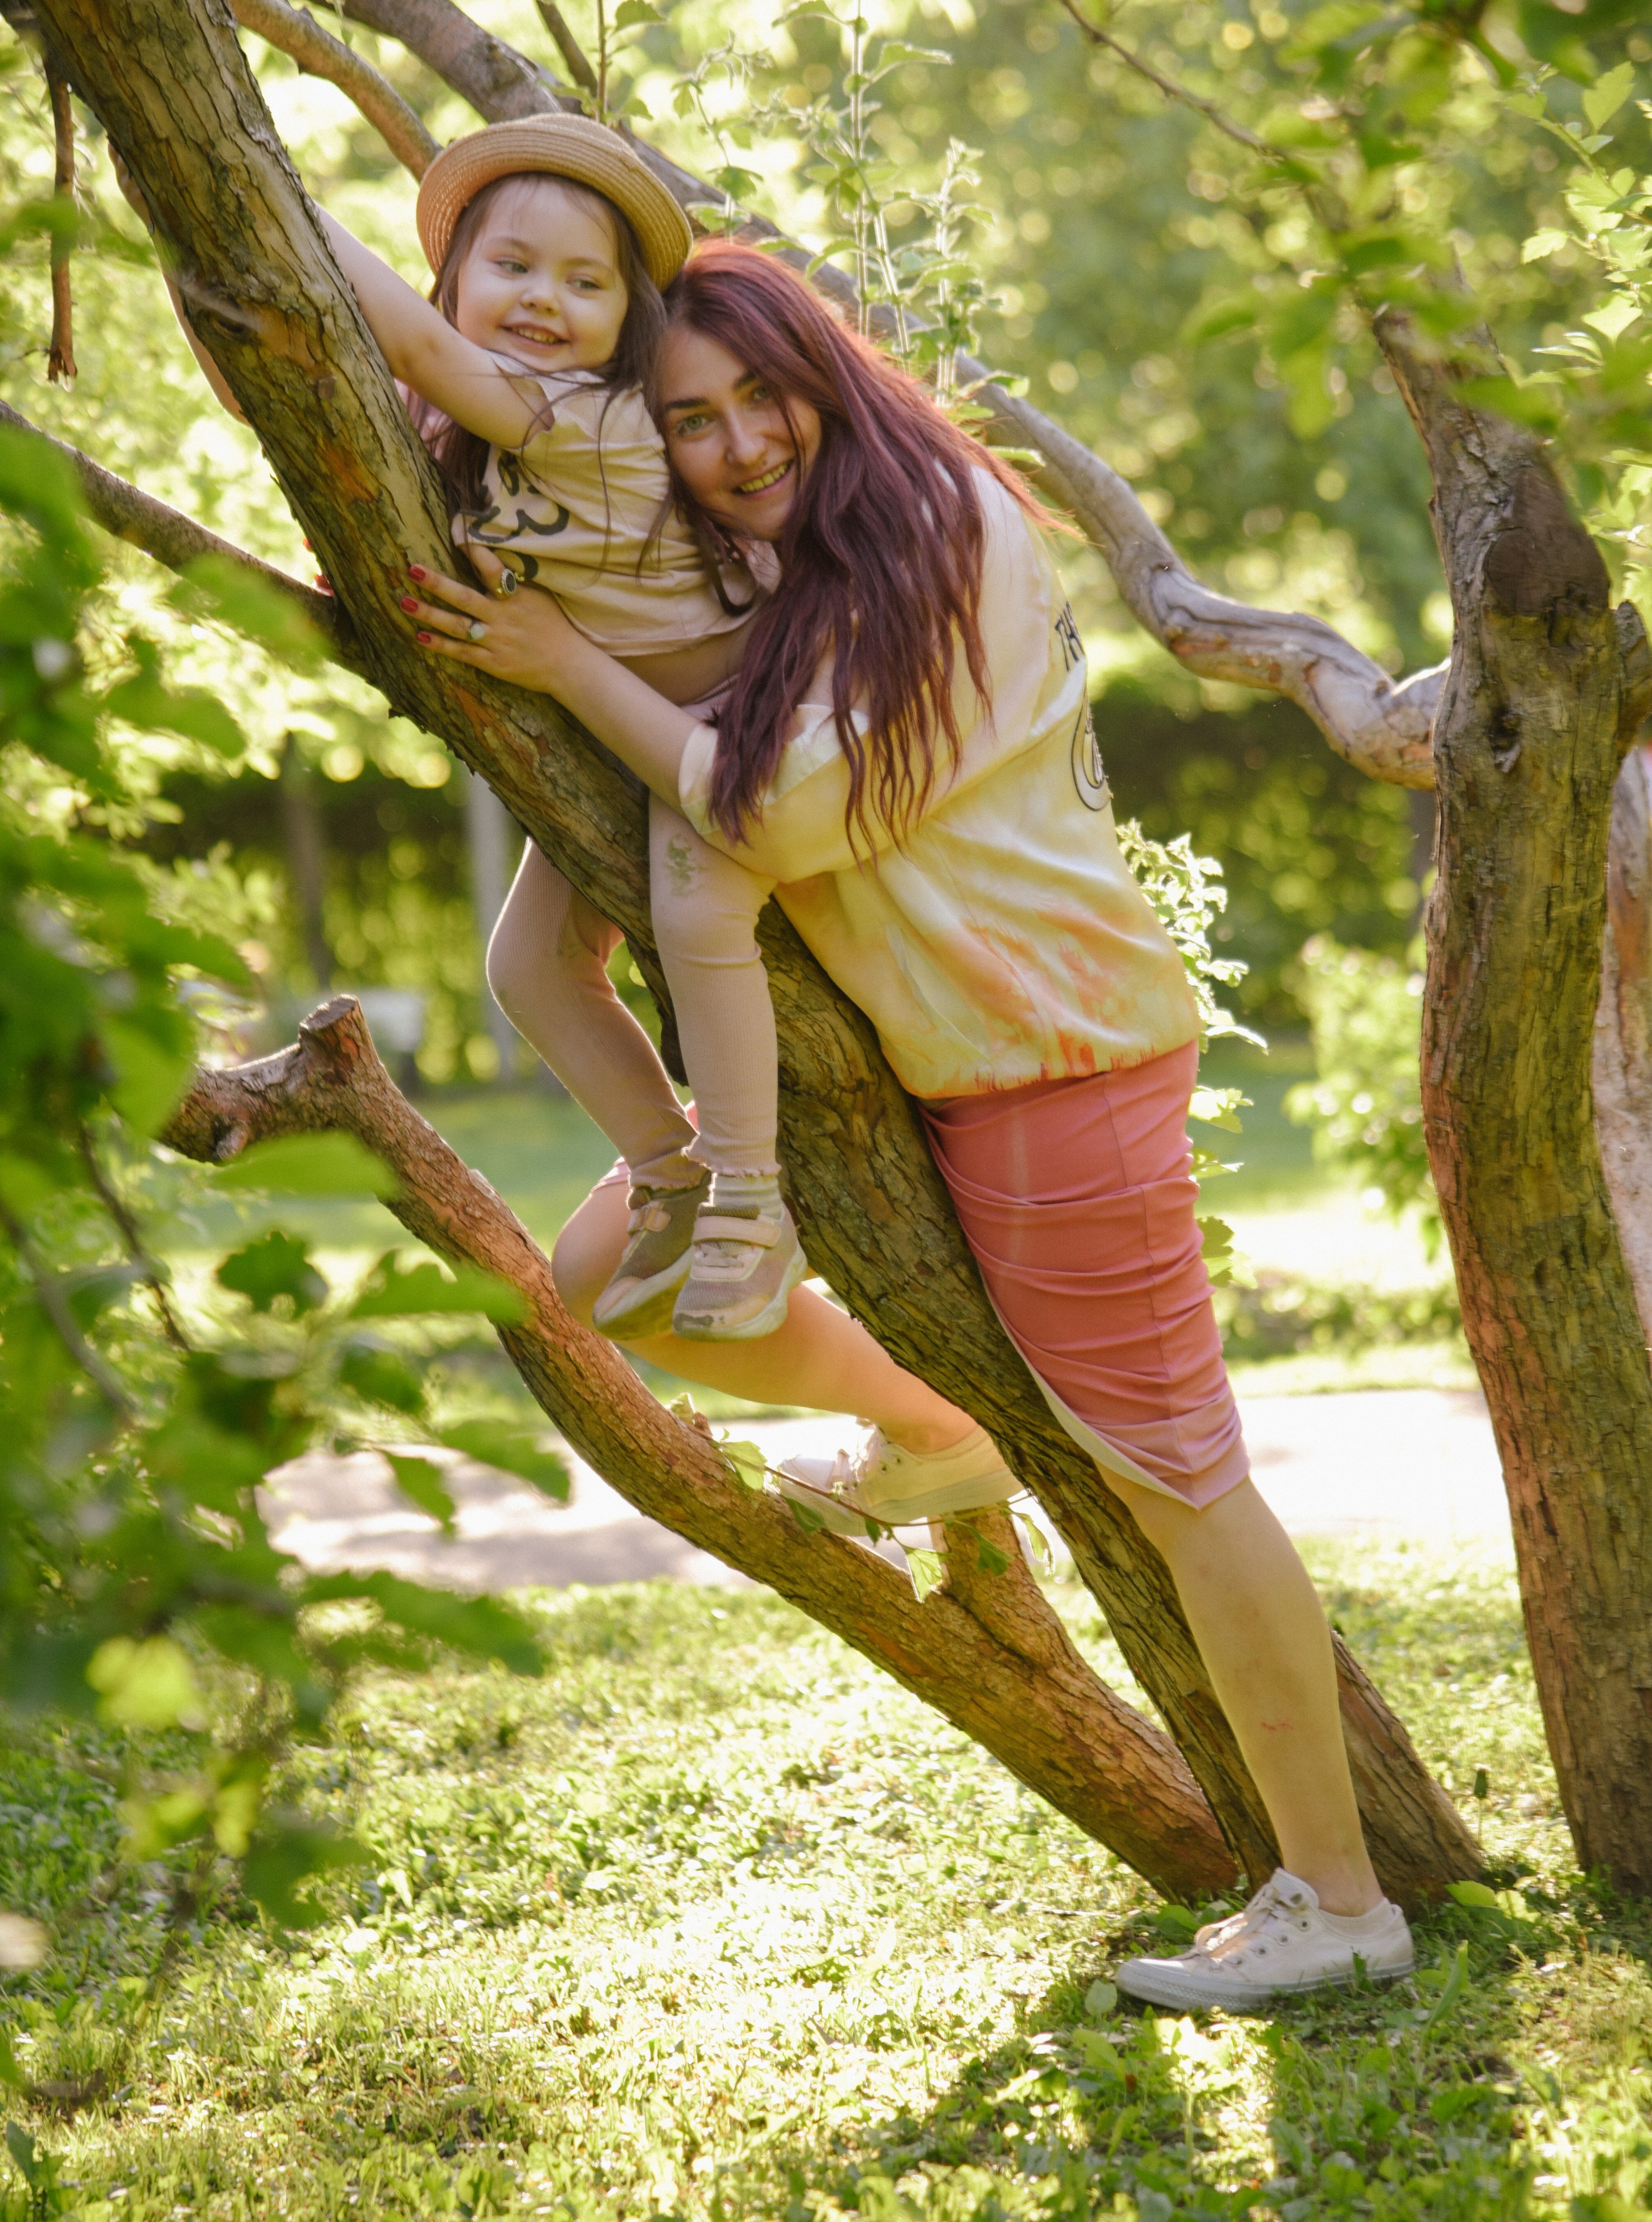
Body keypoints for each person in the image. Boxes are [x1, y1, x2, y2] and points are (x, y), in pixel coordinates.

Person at [398, 237, 1416, 2015]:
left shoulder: (943, 527)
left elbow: (774, 820)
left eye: (757, 396)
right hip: (945, 1062)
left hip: (1052, 1058)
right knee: (616, 1275)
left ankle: (1341, 1894)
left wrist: (561, 660)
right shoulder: (811, 562)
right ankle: (944, 1431)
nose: (731, 444)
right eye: (688, 418)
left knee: (1185, 1481)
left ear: (827, 369)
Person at [149, 114, 811, 1346]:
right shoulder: (469, 425)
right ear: (460, 279)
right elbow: (280, 384)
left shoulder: (599, 423)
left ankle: (753, 1195)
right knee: (527, 969)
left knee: (699, 907)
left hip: (735, 721)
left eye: (586, 281)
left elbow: (404, 334)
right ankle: (667, 1171)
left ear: (632, 320)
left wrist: (245, 184)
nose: (544, 302)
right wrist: (194, 270)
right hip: (624, 729)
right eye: (512, 269)